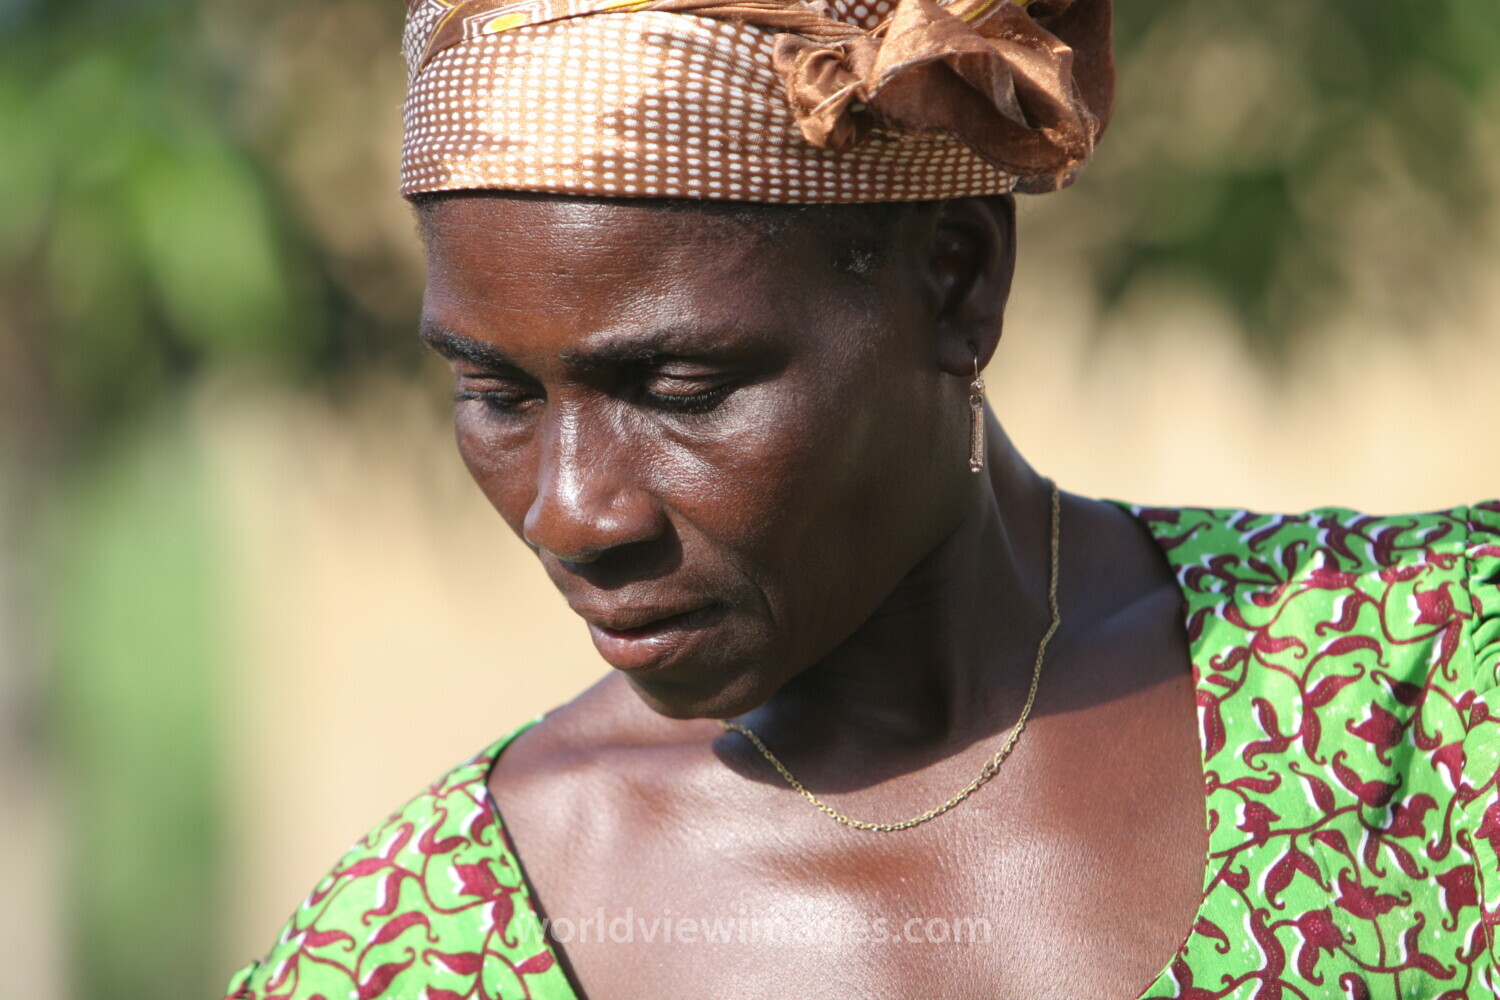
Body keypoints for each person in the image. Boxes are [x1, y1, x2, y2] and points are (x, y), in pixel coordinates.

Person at [225, 0, 1500, 996]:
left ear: (955, 282)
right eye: (497, 396)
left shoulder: (1425, 692)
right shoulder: (423, 948)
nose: (572, 514)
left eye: (675, 385)